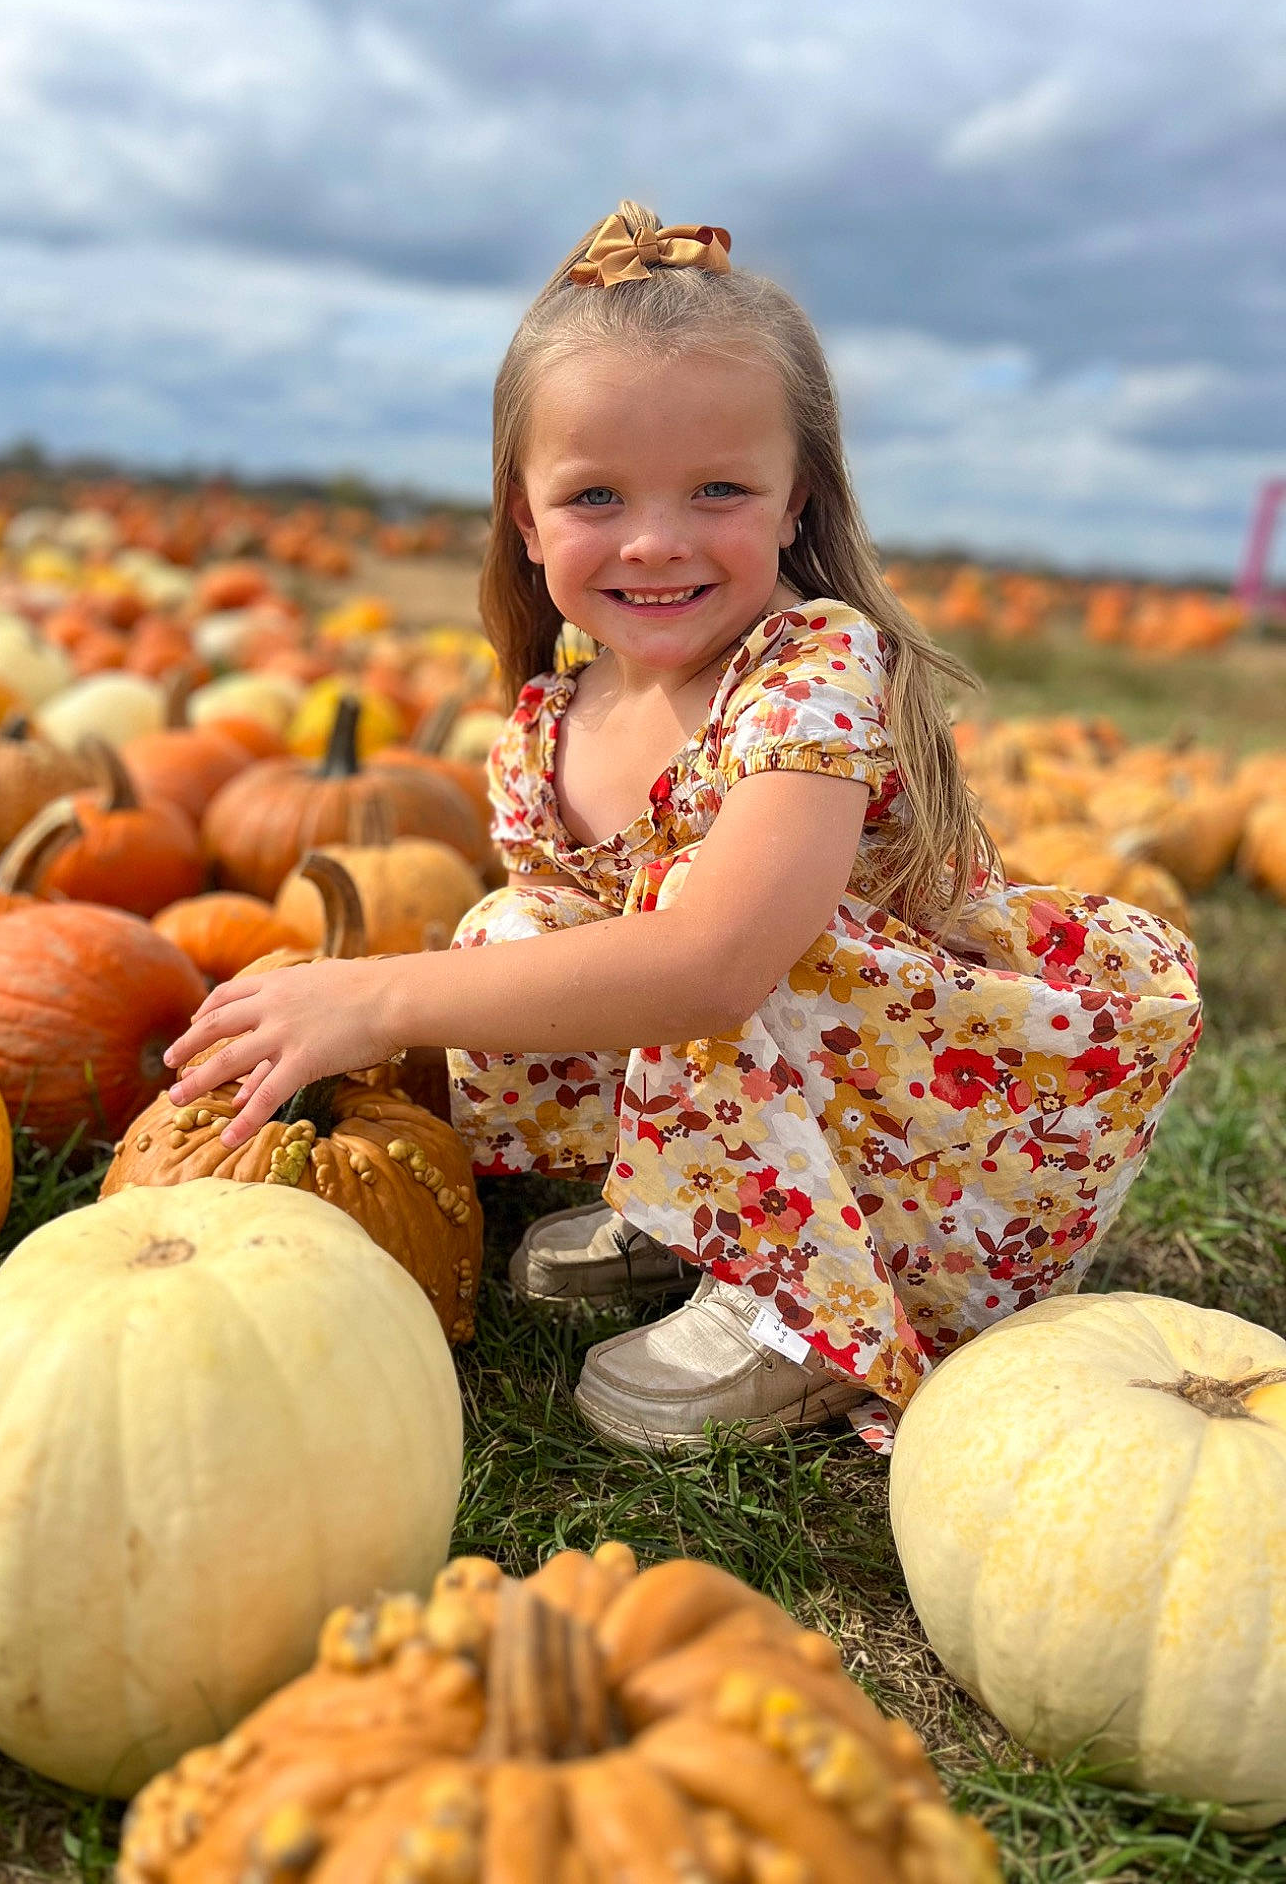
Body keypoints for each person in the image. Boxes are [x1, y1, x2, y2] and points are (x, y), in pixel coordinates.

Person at [163, 201, 1202, 1452]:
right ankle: (694, 1205)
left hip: (938, 1133)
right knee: (518, 929)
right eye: (598, 494)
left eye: (717, 489)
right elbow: (583, 975)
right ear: (527, 516)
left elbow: (715, 964)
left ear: (793, 501)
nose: (655, 540)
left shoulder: (812, 666)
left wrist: (380, 997)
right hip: (778, 1072)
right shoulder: (553, 720)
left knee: (682, 924)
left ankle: (804, 1307)